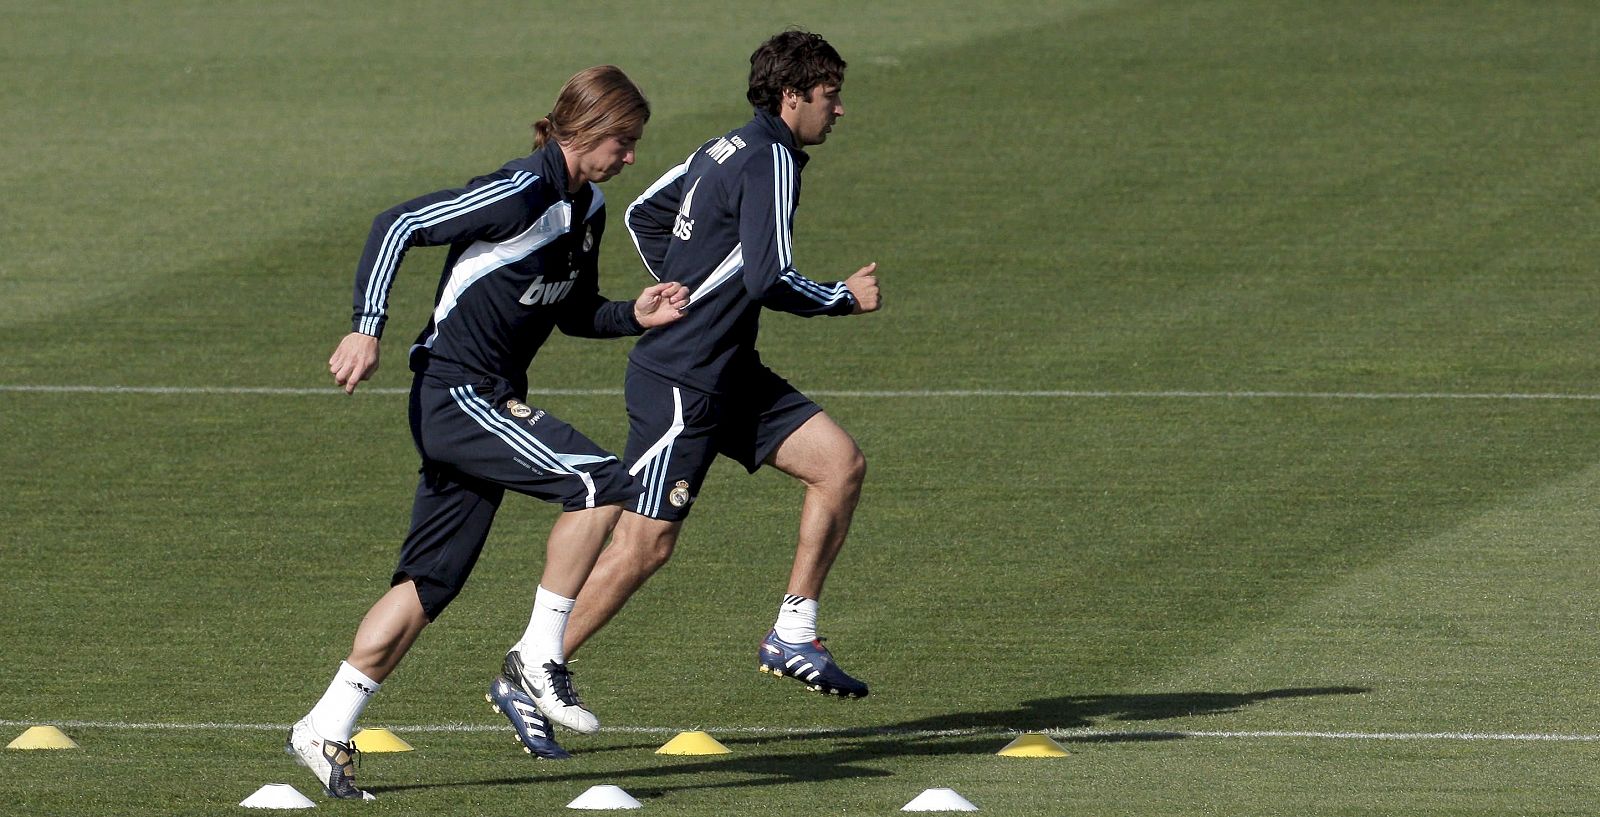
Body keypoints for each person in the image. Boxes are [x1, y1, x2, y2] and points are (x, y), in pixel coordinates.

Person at [285, 65, 687, 801]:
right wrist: (365, 329)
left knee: (429, 583)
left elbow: (573, 310)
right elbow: (397, 224)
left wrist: (636, 313)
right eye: (623, 143)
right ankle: (538, 656)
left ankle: (324, 725)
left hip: (490, 400)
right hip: (456, 394)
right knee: (598, 480)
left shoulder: (587, 208)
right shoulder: (519, 189)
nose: (631, 158)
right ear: (586, 132)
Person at [561, 30, 882, 709]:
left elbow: (647, 213)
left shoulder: (725, 145)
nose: (839, 110)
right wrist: (842, 298)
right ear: (794, 96)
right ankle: (537, 665)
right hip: (684, 379)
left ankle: (793, 632)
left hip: (728, 368)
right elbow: (769, 279)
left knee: (839, 464)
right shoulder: (771, 159)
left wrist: (687, 284)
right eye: (831, 96)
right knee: (644, 544)